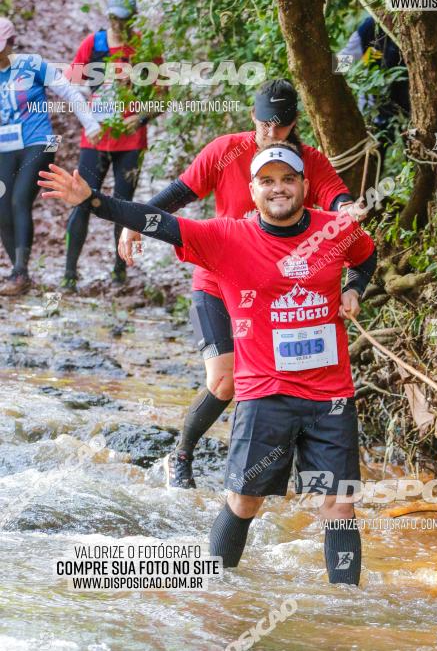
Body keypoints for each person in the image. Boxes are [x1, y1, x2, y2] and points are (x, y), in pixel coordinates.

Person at [38, 140, 377, 586]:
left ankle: (348, 612)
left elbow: (367, 256)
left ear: (304, 185)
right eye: (268, 181)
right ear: (252, 190)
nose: (279, 189)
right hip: (264, 395)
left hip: (331, 396)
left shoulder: (336, 229)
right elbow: (158, 222)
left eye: (288, 179)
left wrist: (354, 288)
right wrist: (95, 201)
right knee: (244, 501)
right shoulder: (227, 236)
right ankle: (217, 592)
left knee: (339, 505)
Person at [116, 78, 368, 489]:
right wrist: (133, 224)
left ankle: (270, 472)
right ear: (253, 116)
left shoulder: (307, 161)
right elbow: (178, 194)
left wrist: (349, 210)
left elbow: (334, 196)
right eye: (266, 124)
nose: (273, 133)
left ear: (294, 124)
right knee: (224, 381)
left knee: (279, 382)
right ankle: (180, 454)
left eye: (282, 126)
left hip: (276, 293)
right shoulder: (225, 151)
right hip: (219, 281)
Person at [62, 0, 160, 290]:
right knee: (81, 201)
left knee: (123, 204)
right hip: (95, 139)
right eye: (114, 17)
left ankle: (119, 271)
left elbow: (162, 96)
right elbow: (69, 86)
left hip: (130, 142)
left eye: (124, 18)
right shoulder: (93, 44)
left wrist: (140, 118)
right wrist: (88, 115)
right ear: (108, 17)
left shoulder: (144, 48)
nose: (118, 24)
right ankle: (69, 275)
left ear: (133, 19)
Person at [0, 17, 101, 295]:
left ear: (12, 43)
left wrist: (90, 124)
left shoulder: (31, 65)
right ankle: (19, 271)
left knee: (20, 199)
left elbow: (68, 91)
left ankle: (19, 274)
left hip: (38, 142)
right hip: (4, 147)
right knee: (2, 206)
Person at [338, 15, 410, 164]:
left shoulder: (410, 26)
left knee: (415, 155)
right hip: (375, 109)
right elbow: (346, 58)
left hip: (410, 110)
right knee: (372, 160)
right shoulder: (369, 29)